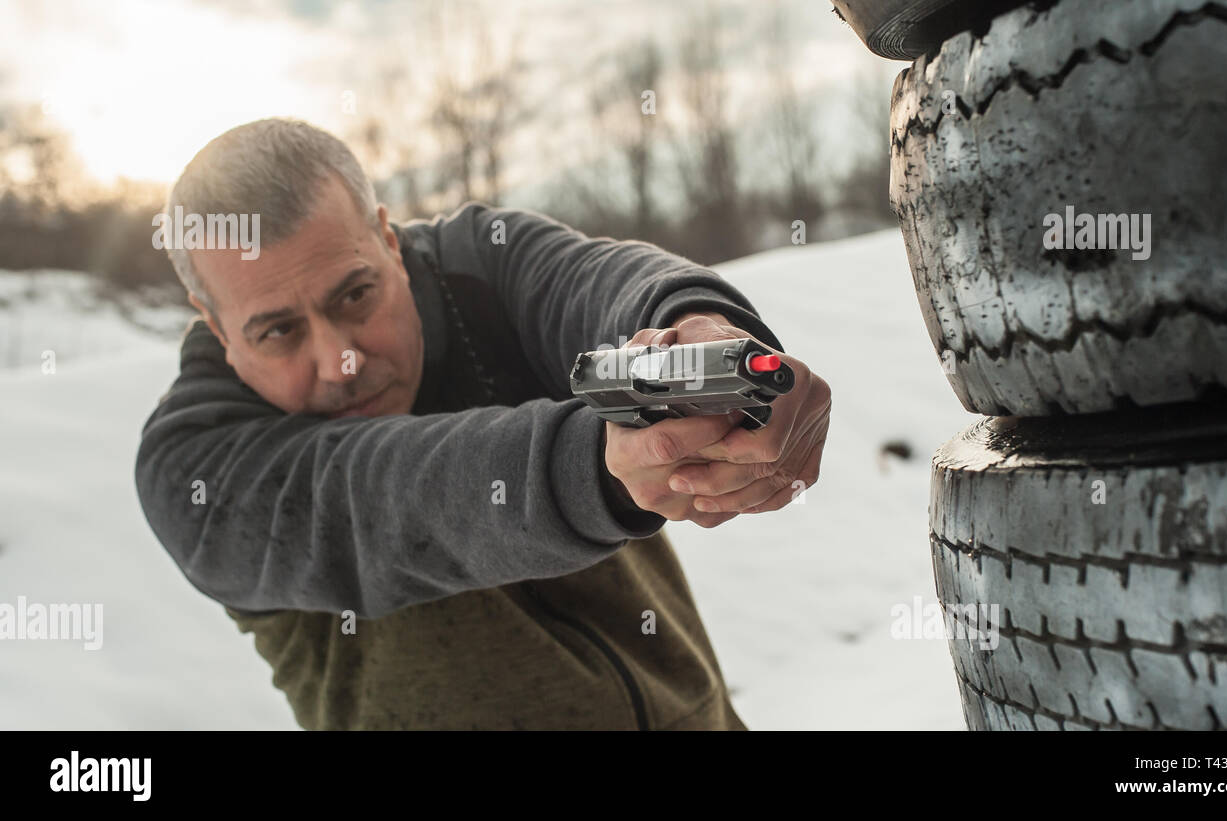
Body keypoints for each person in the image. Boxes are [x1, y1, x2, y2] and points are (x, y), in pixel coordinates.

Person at [134, 118, 832, 730]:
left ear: (387, 239)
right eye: (278, 332)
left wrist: (700, 335)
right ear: (215, 326)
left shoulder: (479, 267)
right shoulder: (193, 467)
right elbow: (379, 495)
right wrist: (599, 467)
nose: (338, 360)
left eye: (354, 294)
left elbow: (604, 284)